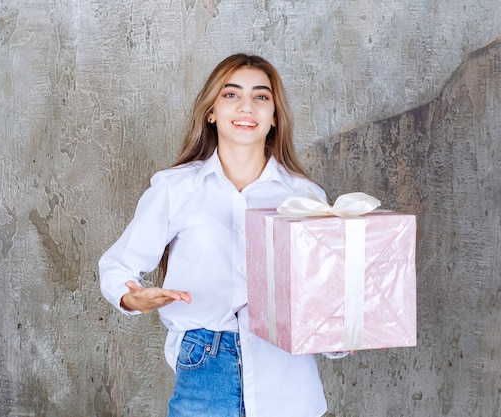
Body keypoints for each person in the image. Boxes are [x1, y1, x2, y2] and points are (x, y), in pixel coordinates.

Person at [99, 53, 331, 417]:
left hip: (286, 371)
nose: (246, 107)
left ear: (274, 117)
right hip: (204, 363)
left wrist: (343, 333)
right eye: (231, 95)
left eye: (261, 97)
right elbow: (117, 266)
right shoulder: (176, 189)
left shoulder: (305, 198)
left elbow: (322, 293)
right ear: (211, 111)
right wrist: (134, 299)